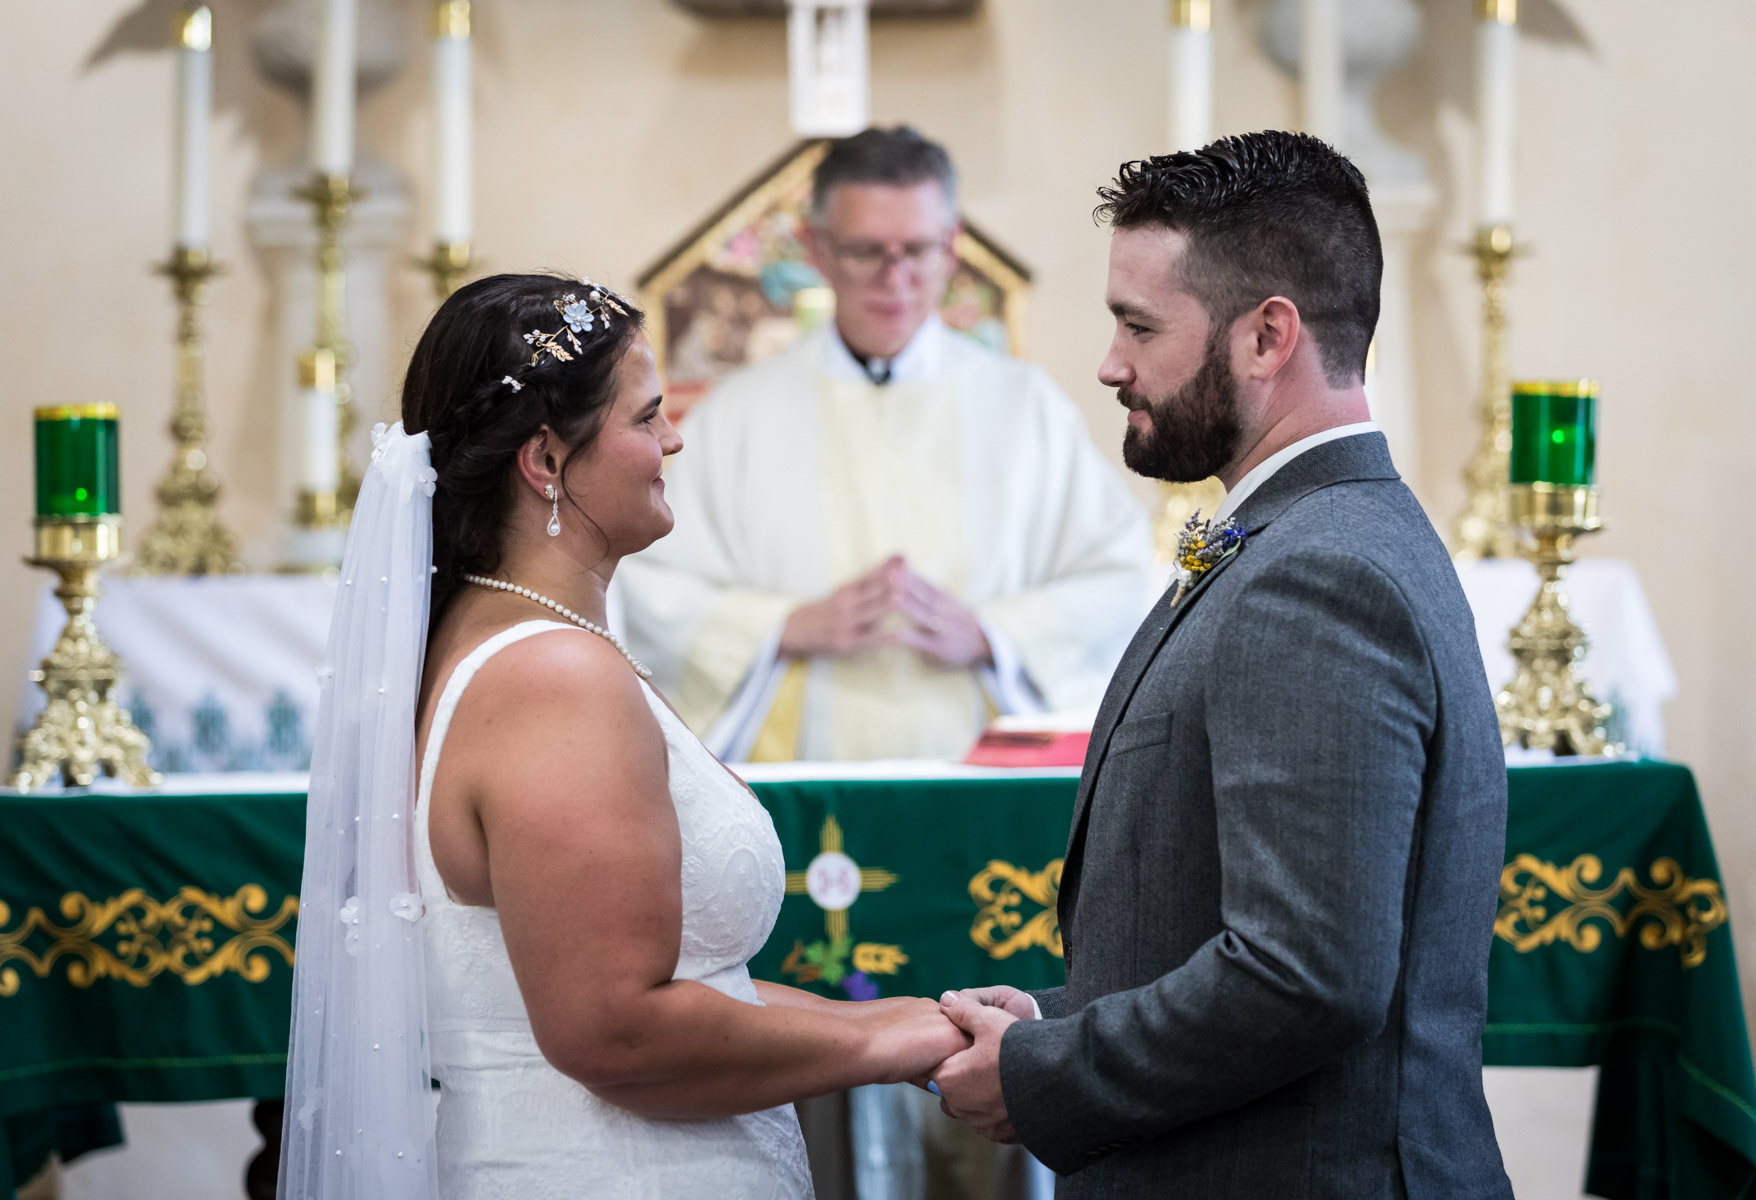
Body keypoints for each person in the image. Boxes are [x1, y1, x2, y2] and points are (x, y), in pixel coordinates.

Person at [276, 273, 968, 1200]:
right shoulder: (550, 679)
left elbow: (692, 983)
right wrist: (881, 1045)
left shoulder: (501, 644)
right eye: (648, 418)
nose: (675, 439)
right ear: (547, 463)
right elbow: (616, 1032)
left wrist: (914, 1018)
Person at [929, 132, 1515, 1198]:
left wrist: (1047, 1076)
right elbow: (1231, 929)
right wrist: (1062, 1019)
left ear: (1266, 337)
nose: (1110, 362)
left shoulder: (1319, 573)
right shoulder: (1310, 536)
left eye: (1138, 325)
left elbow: (1308, 977)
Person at [615, 127, 1151, 765]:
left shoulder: (1024, 408)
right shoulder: (738, 416)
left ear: (951, 248)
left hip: (987, 781)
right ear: (816, 249)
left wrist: (991, 634)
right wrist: (785, 627)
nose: (894, 277)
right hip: (801, 783)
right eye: (866, 250)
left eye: (918, 249)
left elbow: (1121, 578)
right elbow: (648, 582)